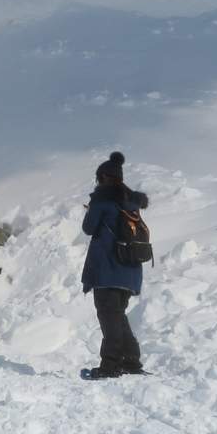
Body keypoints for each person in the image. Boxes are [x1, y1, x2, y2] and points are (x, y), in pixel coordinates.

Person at [80, 151, 149, 378]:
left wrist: (92, 209)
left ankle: (110, 366)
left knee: (109, 318)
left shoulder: (102, 199)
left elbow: (89, 228)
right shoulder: (131, 203)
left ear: (102, 177)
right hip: (129, 270)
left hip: (108, 270)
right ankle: (131, 361)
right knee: (117, 316)